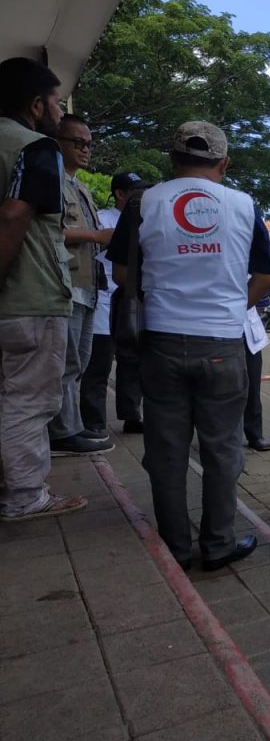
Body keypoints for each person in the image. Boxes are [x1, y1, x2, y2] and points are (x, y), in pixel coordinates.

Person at [108, 121, 270, 571]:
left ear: (173, 159)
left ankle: (176, 547)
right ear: (224, 162)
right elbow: (265, 277)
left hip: (160, 341)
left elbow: (122, 275)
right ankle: (218, 544)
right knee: (223, 447)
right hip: (223, 343)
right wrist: (227, 307)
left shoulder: (145, 201)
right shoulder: (244, 205)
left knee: (166, 449)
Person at [0, 57, 88, 521]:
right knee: (29, 400)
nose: (59, 112)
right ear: (36, 105)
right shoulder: (35, 147)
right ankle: (24, 495)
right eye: (56, 103)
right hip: (29, 297)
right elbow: (16, 215)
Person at [47, 115, 115, 456]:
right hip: (65, 284)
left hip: (89, 287)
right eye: (78, 142)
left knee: (80, 362)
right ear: (57, 141)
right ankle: (62, 432)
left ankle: (70, 426)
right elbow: (47, 232)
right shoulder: (51, 181)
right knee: (65, 362)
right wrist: (96, 235)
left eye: (89, 143)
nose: (86, 149)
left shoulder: (81, 187)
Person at [80, 172, 148, 436]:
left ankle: (132, 415)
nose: (141, 196)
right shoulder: (103, 220)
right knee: (99, 365)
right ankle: (93, 421)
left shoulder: (145, 219)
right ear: (120, 194)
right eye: (135, 191)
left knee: (132, 362)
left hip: (130, 300)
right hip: (103, 298)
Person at [242, 300, 270, 452]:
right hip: (220, 330)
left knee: (253, 386)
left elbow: (263, 287)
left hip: (249, 335)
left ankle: (254, 434)